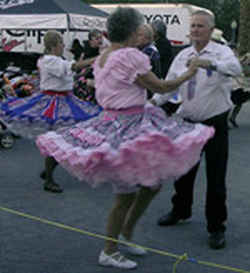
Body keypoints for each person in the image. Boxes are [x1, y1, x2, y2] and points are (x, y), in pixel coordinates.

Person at [36, 7, 214, 269]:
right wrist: (190, 72)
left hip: (119, 122)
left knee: (150, 185)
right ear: (132, 30)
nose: (143, 30)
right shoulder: (130, 56)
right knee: (126, 194)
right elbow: (160, 86)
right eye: (140, 26)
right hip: (126, 125)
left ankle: (124, 235)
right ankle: (109, 249)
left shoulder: (105, 55)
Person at [152, 10, 242, 250]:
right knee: (184, 173)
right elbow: (169, 87)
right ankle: (180, 210)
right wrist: (150, 104)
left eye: (201, 26)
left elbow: (236, 69)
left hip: (214, 123)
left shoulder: (221, 52)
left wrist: (209, 63)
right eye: (193, 26)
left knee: (215, 177)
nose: (195, 30)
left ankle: (216, 227)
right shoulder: (182, 56)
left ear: (211, 30)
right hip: (186, 123)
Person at [0, 30, 102, 193]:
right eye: (61, 43)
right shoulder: (49, 60)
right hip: (54, 102)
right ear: (55, 45)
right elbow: (73, 67)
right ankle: (48, 178)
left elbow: (70, 71)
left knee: (64, 139)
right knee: (58, 140)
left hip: (64, 100)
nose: (64, 46)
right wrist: (96, 59)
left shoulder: (56, 60)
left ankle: (48, 171)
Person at [137, 23, 161, 98]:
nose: (136, 38)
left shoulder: (150, 52)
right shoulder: (143, 49)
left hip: (146, 93)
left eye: (139, 35)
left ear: (147, 38)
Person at [229, 51, 250, 128]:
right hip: (234, 86)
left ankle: (232, 118)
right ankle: (228, 120)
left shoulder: (244, 65)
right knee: (230, 103)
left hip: (242, 86)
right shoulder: (235, 63)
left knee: (239, 104)